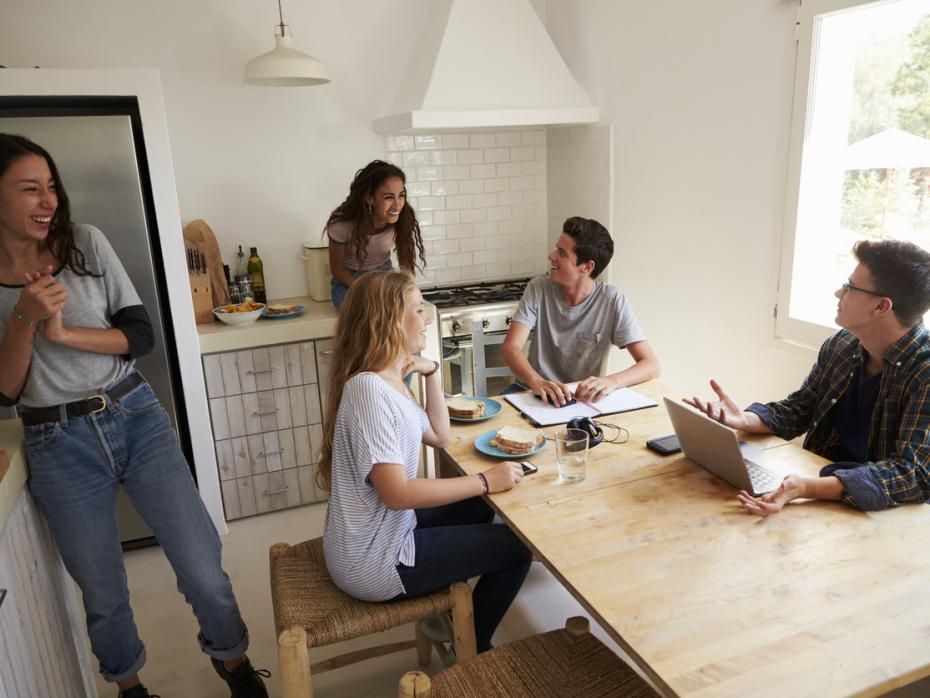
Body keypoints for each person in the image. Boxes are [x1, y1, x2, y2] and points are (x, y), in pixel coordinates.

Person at [0, 134, 268, 698]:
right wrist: (23, 316)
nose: (48, 200)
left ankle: (235, 661)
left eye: (51, 186)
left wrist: (65, 331)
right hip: (55, 441)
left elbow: (140, 335)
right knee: (101, 590)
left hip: (133, 414)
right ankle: (131, 687)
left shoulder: (87, 246)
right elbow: (5, 392)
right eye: (30, 189)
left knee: (201, 563)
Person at [319, 270, 532, 654]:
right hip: (374, 562)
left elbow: (439, 435)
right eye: (419, 310)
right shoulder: (369, 390)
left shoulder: (388, 380)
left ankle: (450, 613)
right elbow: (398, 494)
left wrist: (430, 372)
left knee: (478, 505)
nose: (428, 318)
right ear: (387, 320)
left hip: (380, 536)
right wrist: (485, 480)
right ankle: (471, 650)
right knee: (518, 548)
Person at [685, 239, 930, 516]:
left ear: (881, 307)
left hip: (885, 518)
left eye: (849, 287)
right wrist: (745, 420)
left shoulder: (924, 371)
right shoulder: (842, 345)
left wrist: (808, 488)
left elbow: (914, 474)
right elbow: (801, 408)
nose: (839, 292)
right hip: (820, 493)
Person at [502, 216, 660, 405]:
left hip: (579, 400)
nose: (551, 256)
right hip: (530, 390)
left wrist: (612, 381)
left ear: (587, 266)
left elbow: (651, 365)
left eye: (562, 253)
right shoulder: (538, 288)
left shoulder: (612, 300)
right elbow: (510, 348)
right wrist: (536, 381)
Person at [325, 160, 426, 309]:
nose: (397, 205)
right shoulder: (342, 224)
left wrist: (407, 288)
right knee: (365, 310)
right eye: (388, 197)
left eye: (401, 195)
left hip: (384, 274)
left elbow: (405, 261)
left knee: (401, 307)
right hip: (350, 281)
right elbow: (337, 269)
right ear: (369, 198)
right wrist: (366, 289)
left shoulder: (403, 218)